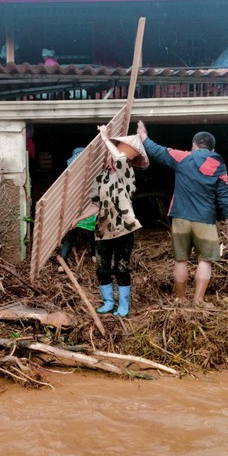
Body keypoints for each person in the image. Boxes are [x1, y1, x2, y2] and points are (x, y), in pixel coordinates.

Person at [136, 121, 228, 306]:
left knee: (180, 259)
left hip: (180, 218)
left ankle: (180, 300)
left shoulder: (182, 158)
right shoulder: (218, 164)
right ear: (212, 148)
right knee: (205, 260)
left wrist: (143, 135)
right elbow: (225, 195)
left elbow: (157, 151)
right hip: (205, 220)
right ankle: (198, 300)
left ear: (193, 145)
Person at [92, 126, 149, 317]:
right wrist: (76, 219)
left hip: (124, 227)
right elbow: (95, 204)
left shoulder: (127, 174)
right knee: (102, 268)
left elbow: (122, 159)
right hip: (103, 229)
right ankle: (108, 302)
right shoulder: (100, 177)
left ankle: (123, 305)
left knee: (121, 267)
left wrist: (105, 137)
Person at [59, 147, 97, 267]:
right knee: (93, 231)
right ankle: (94, 255)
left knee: (72, 233)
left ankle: (63, 260)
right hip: (87, 207)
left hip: (76, 207)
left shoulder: (70, 175)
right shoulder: (91, 172)